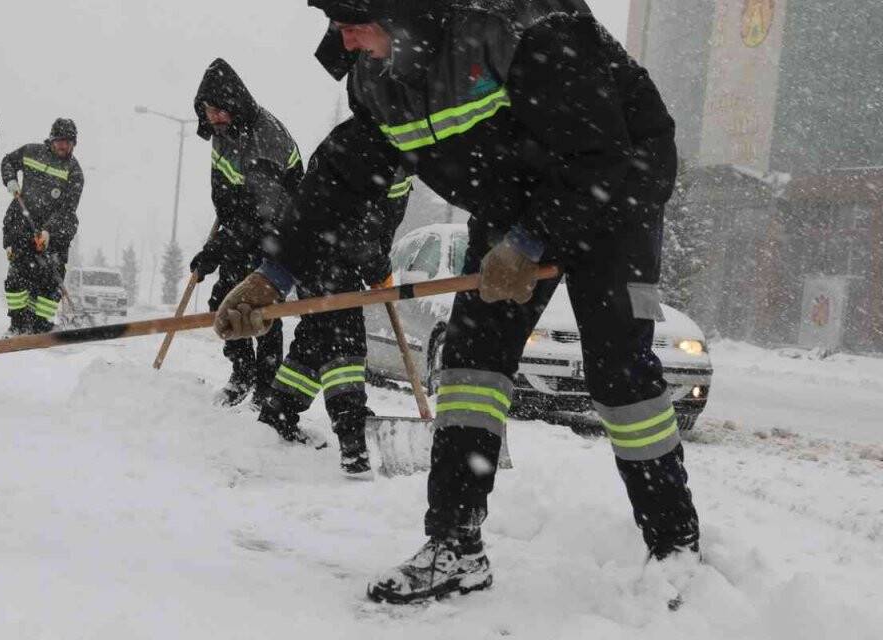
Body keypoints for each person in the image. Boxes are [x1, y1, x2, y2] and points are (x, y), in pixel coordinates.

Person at [215, 0, 700, 604]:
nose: (345, 39)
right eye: (337, 25)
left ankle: (675, 546)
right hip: (513, 207)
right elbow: (339, 179)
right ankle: (455, 547)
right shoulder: (380, 81)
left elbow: (602, 153)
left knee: (619, 372)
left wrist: (530, 241)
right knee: (471, 364)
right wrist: (273, 273)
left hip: (617, 194)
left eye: (354, 23)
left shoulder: (522, 32)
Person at [259, 118, 414, 473]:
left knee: (316, 339)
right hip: (325, 256)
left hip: (324, 258)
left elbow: (379, 222)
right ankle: (353, 437)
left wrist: (376, 259)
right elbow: (355, 224)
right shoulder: (370, 148)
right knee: (345, 343)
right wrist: (377, 267)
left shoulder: (402, 153)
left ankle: (278, 411)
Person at [190, 58, 302, 408]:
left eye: (220, 110)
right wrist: (224, 230)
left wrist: (217, 247)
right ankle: (243, 375)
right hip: (241, 225)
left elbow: (262, 214)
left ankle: (266, 389)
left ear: (235, 105)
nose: (214, 118)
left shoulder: (265, 139)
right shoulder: (224, 131)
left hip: (277, 231)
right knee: (223, 302)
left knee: (260, 311)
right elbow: (232, 190)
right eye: (209, 111)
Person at [0, 118, 84, 335]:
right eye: (59, 141)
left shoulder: (75, 172)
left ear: (73, 144)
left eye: (68, 142)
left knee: (49, 280)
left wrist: (48, 231)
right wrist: (10, 180)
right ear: (51, 140)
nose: (63, 146)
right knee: (18, 277)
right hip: (22, 225)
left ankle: (41, 324)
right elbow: (8, 161)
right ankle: (18, 324)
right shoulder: (31, 152)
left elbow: (67, 210)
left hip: (55, 233)